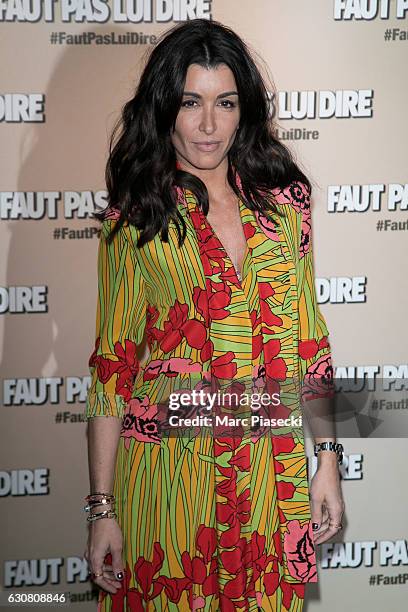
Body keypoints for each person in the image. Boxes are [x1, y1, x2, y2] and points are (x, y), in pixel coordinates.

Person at [83, 18, 345, 612]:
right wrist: (102, 507)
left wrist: (327, 461)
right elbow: (111, 366)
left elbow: (310, 340)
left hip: (269, 480)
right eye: (190, 103)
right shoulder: (138, 213)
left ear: (243, 108)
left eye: (224, 103)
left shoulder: (286, 203)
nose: (208, 125)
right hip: (173, 477)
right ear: (164, 108)